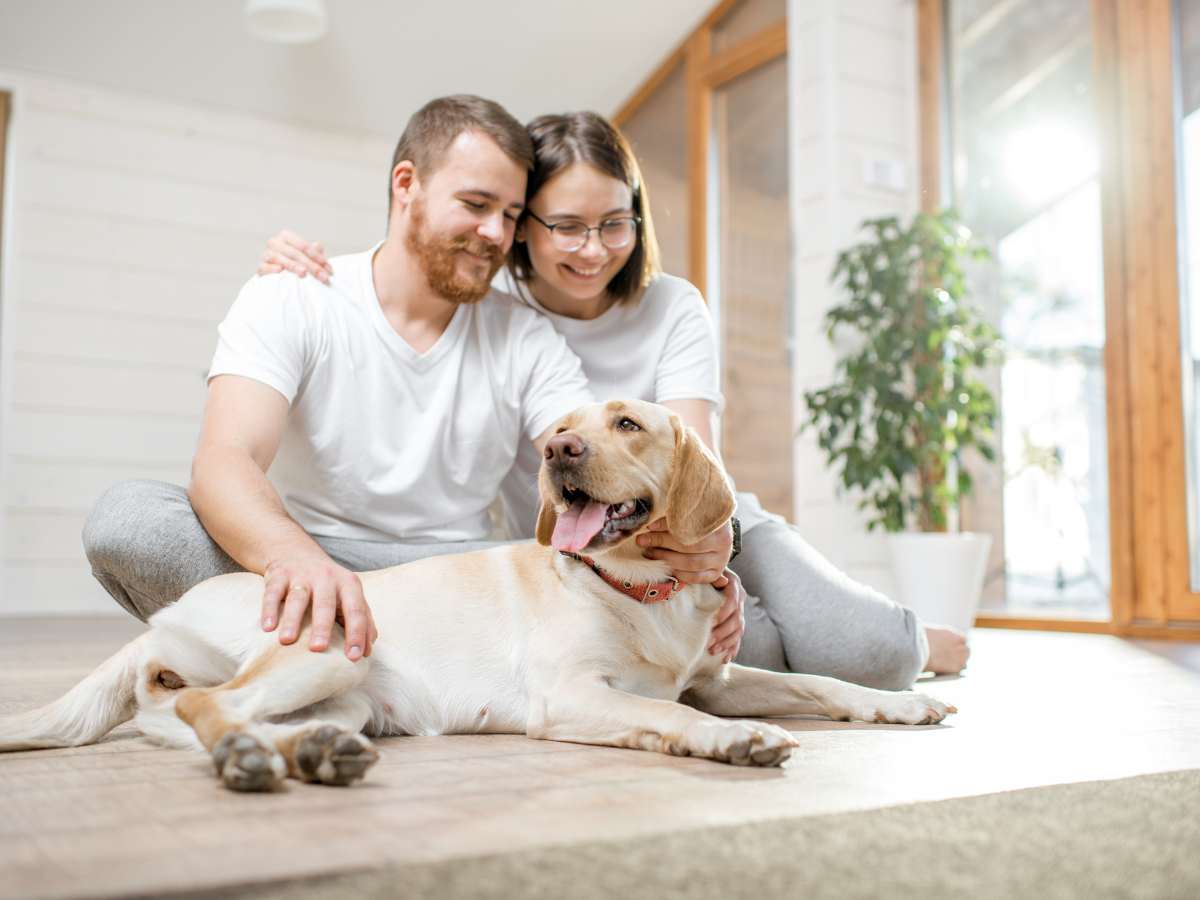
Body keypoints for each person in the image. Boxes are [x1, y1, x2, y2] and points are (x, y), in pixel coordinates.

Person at [259, 111, 969, 688]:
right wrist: (297, 265)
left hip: (702, 518)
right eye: (565, 225)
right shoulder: (492, 307)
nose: (593, 250)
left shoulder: (672, 307)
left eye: (615, 222)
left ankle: (908, 636)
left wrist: (711, 567)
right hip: (586, 548)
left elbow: (692, 462)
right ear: (522, 227)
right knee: (702, 666)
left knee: (871, 655)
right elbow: (411, 266)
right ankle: (796, 638)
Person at [82, 95, 740, 667]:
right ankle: (354, 650)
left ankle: (340, 662)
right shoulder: (294, 295)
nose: (494, 233)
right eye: (476, 205)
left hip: (466, 579)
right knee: (132, 521)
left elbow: (591, 453)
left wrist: (679, 563)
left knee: (704, 637)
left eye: (511, 215)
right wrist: (296, 560)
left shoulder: (523, 332)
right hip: (323, 560)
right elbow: (226, 458)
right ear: (407, 184)